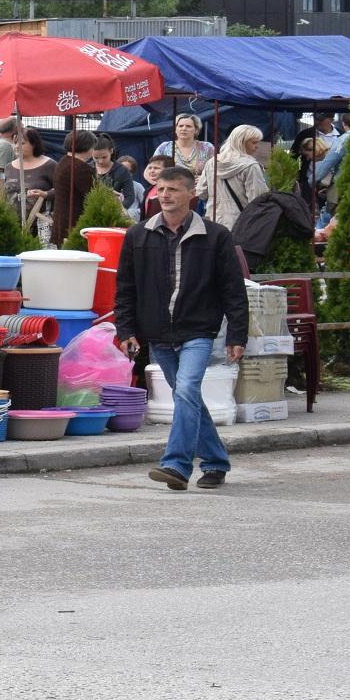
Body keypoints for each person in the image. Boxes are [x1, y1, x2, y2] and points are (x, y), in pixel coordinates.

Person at [116, 166, 248, 491]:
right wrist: (125, 329)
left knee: (187, 391)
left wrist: (236, 335)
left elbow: (233, 289)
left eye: (173, 189)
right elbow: (125, 288)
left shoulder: (216, 236)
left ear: (191, 194)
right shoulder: (138, 235)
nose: (165, 195)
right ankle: (216, 462)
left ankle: (176, 464)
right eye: (161, 189)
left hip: (198, 330)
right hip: (158, 332)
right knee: (187, 398)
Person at [196, 125, 268, 230]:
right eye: (254, 142)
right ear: (241, 142)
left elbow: (201, 193)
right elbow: (258, 199)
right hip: (241, 223)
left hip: (213, 220)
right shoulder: (251, 166)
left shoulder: (212, 163)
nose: (257, 146)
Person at [2, 128, 55, 236]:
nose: (17, 146)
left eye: (22, 143)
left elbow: (63, 189)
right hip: (12, 226)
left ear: (34, 144)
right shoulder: (9, 167)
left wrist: (46, 194)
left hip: (41, 226)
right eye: (15, 142)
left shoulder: (49, 165)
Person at [51, 130, 98, 244]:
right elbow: (94, 196)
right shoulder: (81, 168)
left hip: (61, 219)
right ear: (88, 147)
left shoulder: (63, 162)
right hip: (75, 222)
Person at [156, 113, 215, 179]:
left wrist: (204, 179)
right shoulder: (164, 147)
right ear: (175, 129)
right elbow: (151, 170)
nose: (184, 129)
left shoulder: (207, 147)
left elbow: (216, 170)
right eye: (180, 126)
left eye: (188, 126)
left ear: (196, 130)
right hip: (171, 187)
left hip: (198, 188)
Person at [91, 136, 137, 210]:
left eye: (104, 157)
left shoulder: (122, 170)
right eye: (96, 158)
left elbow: (130, 197)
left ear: (111, 151)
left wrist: (118, 209)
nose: (100, 161)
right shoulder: (87, 168)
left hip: (113, 210)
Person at [140, 154, 173, 220]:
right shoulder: (148, 190)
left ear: (168, 170)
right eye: (150, 168)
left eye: (156, 168)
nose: (152, 171)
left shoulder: (173, 190)